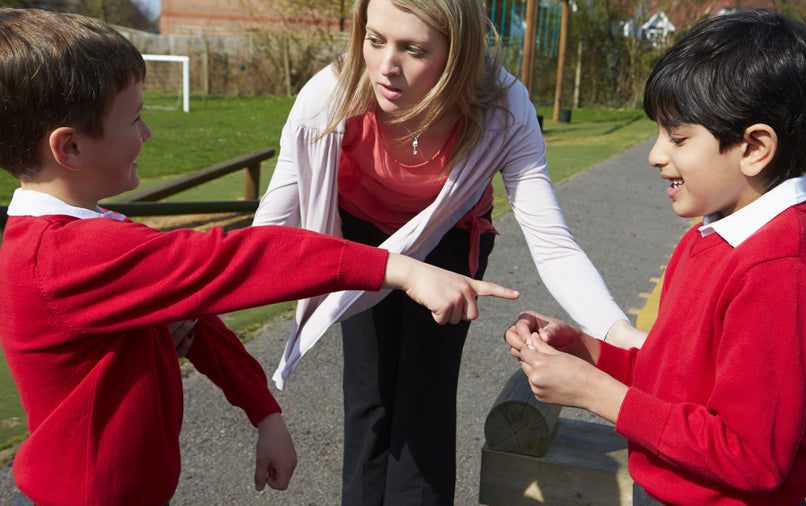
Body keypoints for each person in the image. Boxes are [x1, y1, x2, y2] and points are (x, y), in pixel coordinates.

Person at [0, 9, 518, 506]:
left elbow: (196, 321)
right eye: (135, 120)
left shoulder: (92, 235)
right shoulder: (64, 257)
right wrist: (397, 268)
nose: (147, 134)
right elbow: (235, 261)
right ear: (69, 149)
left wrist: (263, 412)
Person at [251, 0, 643, 503]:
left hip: (448, 239)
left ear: (458, 53)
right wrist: (196, 306)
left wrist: (619, 334)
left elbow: (553, 244)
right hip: (364, 240)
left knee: (424, 401)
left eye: (413, 49)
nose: (386, 66)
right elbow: (268, 233)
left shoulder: (504, 107)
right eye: (375, 40)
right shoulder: (329, 95)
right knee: (369, 399)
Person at [505, 10, 806, 506]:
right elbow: (678, 377)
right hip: (668, 485)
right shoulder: (712, 233)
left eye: (678, 137)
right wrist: (590, 355)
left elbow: (751, 457)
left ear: (754, 148)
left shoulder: (782, 274)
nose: (655, 154)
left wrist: (597, 394)